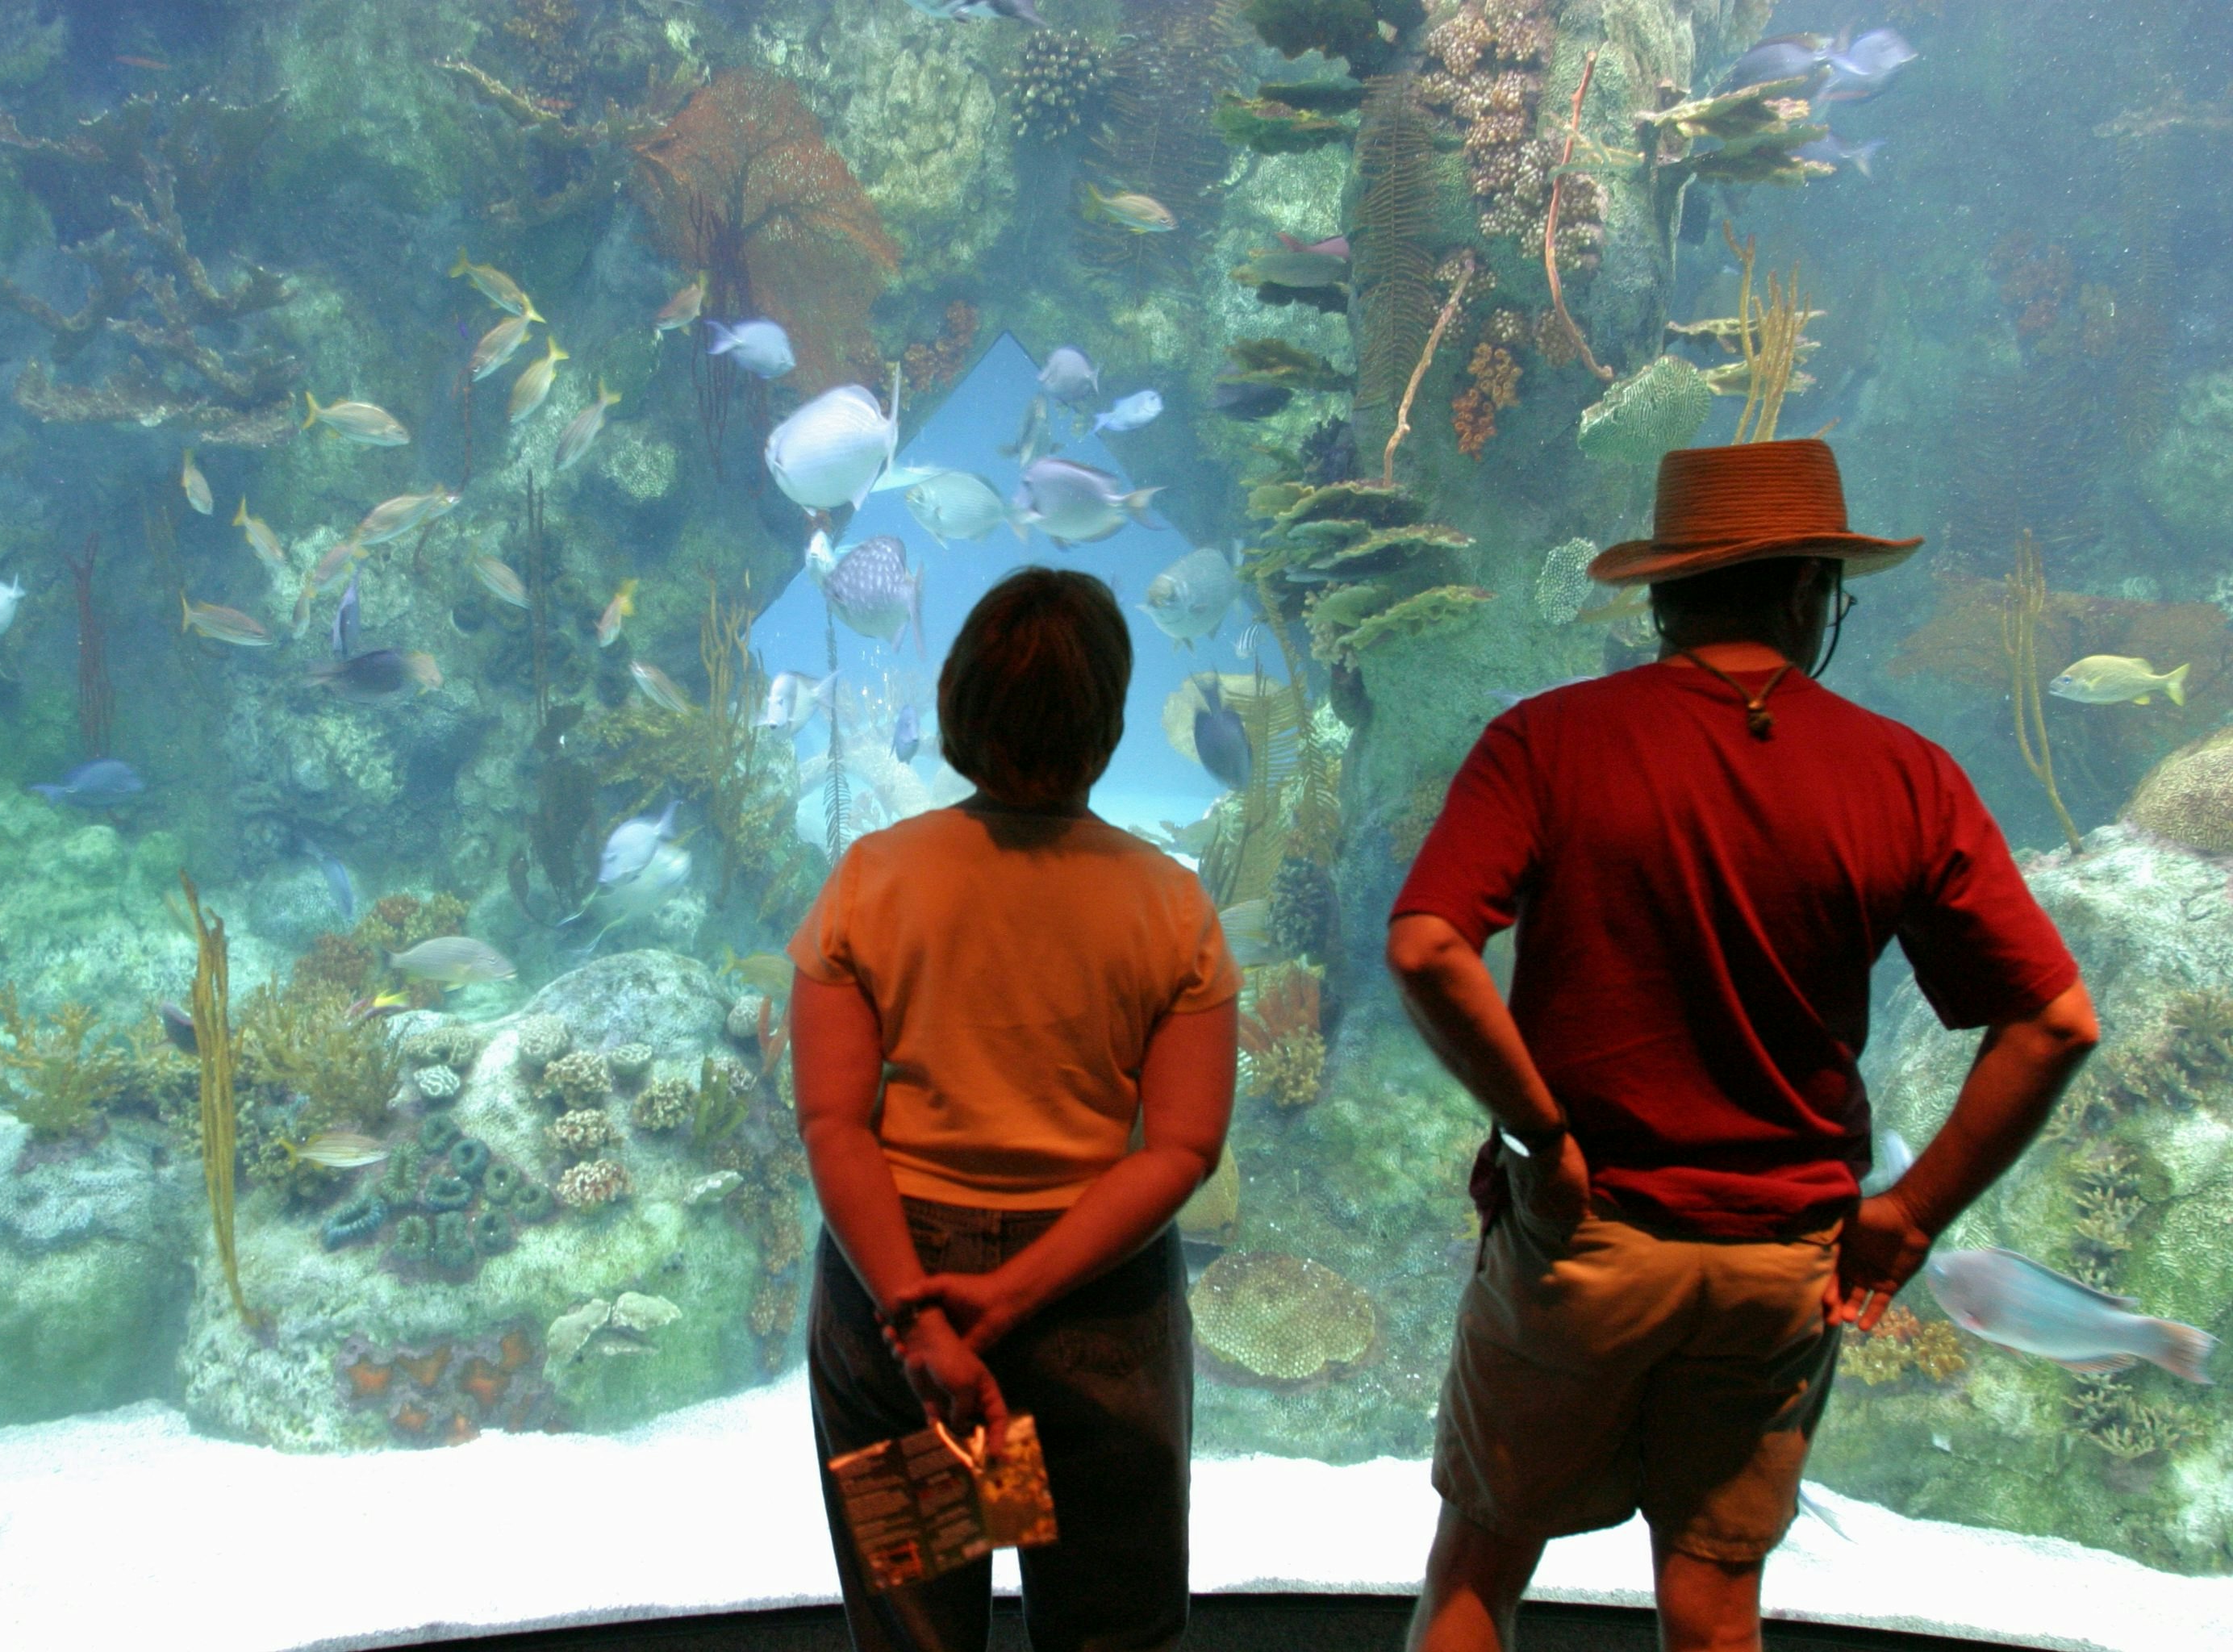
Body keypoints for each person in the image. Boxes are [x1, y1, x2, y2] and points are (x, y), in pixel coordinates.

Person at [1386, 440, 2100, 1652]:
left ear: (1662, 593)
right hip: (1783, 1263)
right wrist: (1909, 1215)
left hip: (1587, 1242)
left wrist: (1539, 1134)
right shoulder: (1907, 776)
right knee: (1714, 1599)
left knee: (1478, 1569)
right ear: (1811, 592)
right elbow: (2055, 1020)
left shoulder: (1548, 743)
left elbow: (1427, 948)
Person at [791, 567, 1240, 1652]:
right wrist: (1013, 1297)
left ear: (955, 705)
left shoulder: (872, 879)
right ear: (1112, 720)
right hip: (1094, 1292)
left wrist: (927, 1317)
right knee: (1107, 1630)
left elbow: (834, 1126)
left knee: (923, 1632)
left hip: (908, 1284)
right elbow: (1181, 1147)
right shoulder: (1168, 901)